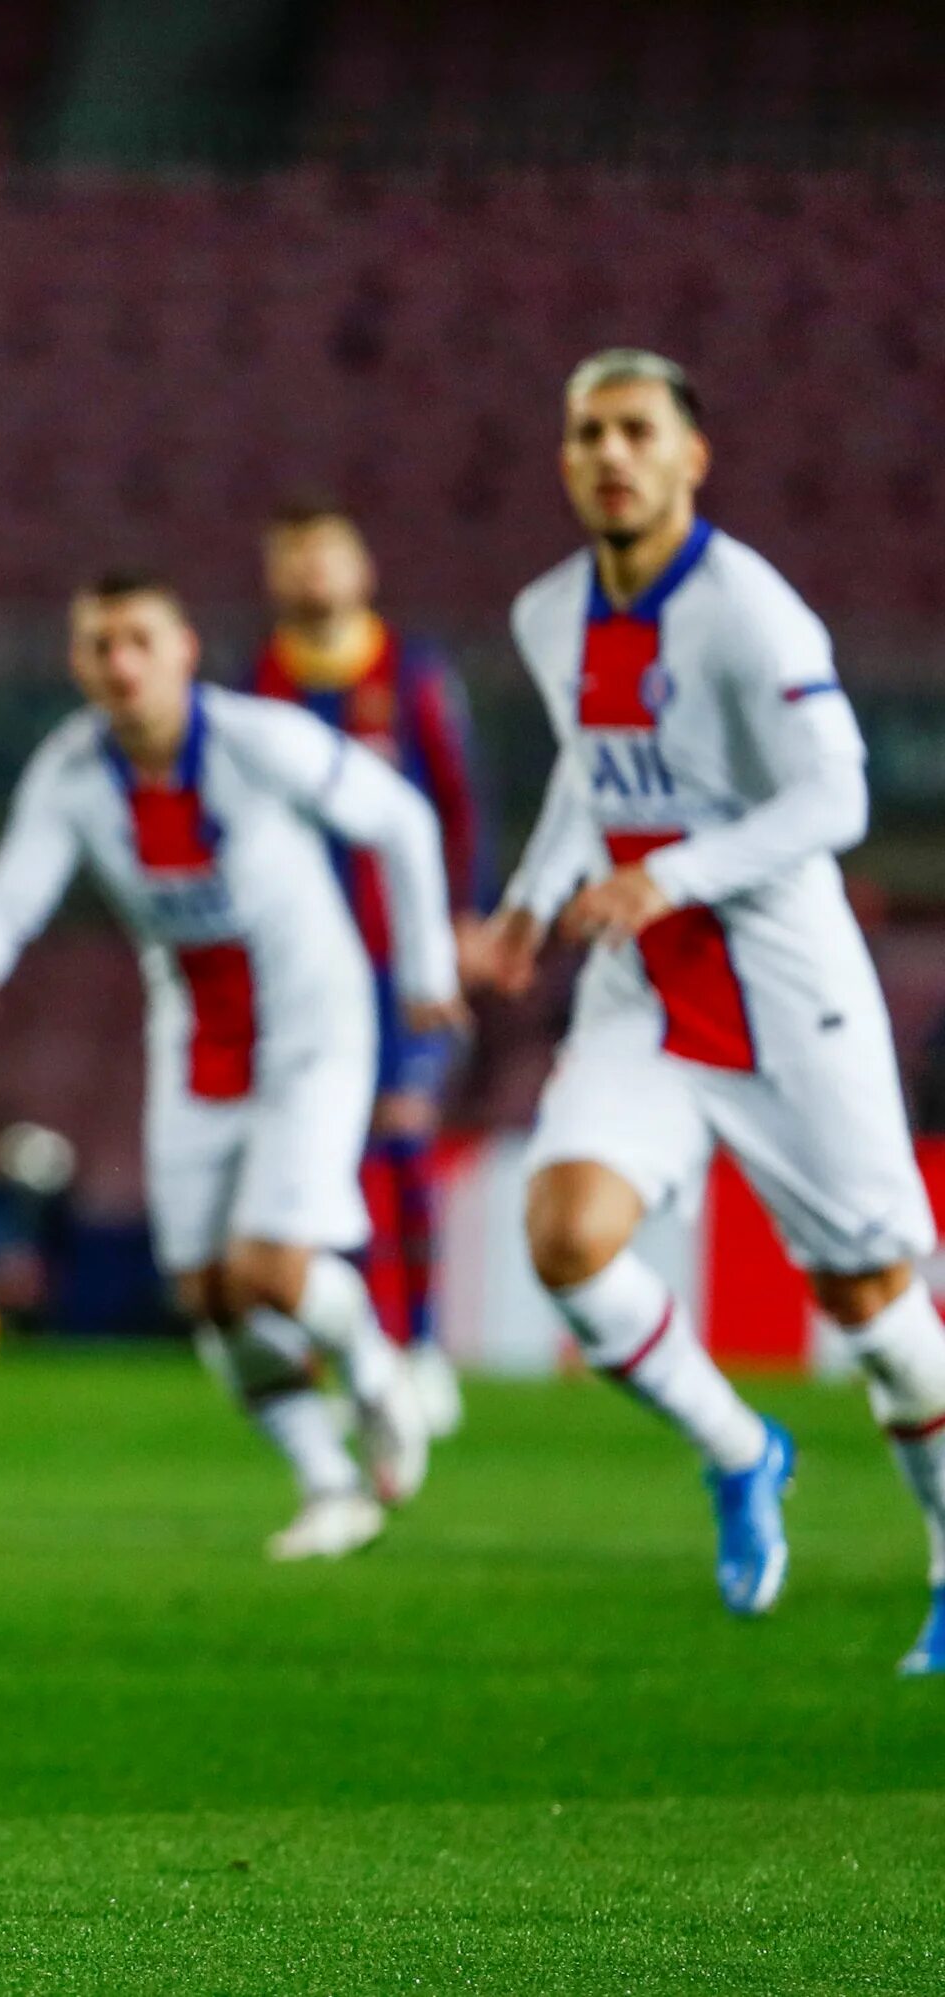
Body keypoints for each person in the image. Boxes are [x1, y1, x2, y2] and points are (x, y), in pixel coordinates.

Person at [466, 349, 945, 1663]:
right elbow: (588, 767)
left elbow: (835, 802)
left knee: (878, 1313)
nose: (610, 454)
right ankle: (741, 1449)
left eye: (636, 430)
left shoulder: (751, 614)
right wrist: (530, 900)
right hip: (647, 991)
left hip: (785, 986)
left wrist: (662, 876)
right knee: (565, 1233)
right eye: (587, 433)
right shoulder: (550, 611)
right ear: (562, 458)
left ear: (692, 457)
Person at [0, 574, 466, 1561]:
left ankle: (376, 1368)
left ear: (185, 649)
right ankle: (328, 1483)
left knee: (269, 1269)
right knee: (209, 1292)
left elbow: (402, 818)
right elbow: (17, 885)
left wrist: (429, 962)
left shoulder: (258, 742)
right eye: (100, 645)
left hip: (313, 1022)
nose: (121, 662)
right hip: (198, 1036)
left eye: (140, 639)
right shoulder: (73, 771)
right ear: (78, 662)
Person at [254, 503, 490, 1437]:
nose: (312, 573)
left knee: (402, 1137)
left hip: (399, 956)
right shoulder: (259, 681)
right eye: (294, 556)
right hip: (297, 962)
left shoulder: (414, 674)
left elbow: (460, 804)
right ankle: (354, 1353)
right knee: (323, 1157)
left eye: (327, 554)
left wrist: (463, 917)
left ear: (364, 569)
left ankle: (423, 1344)